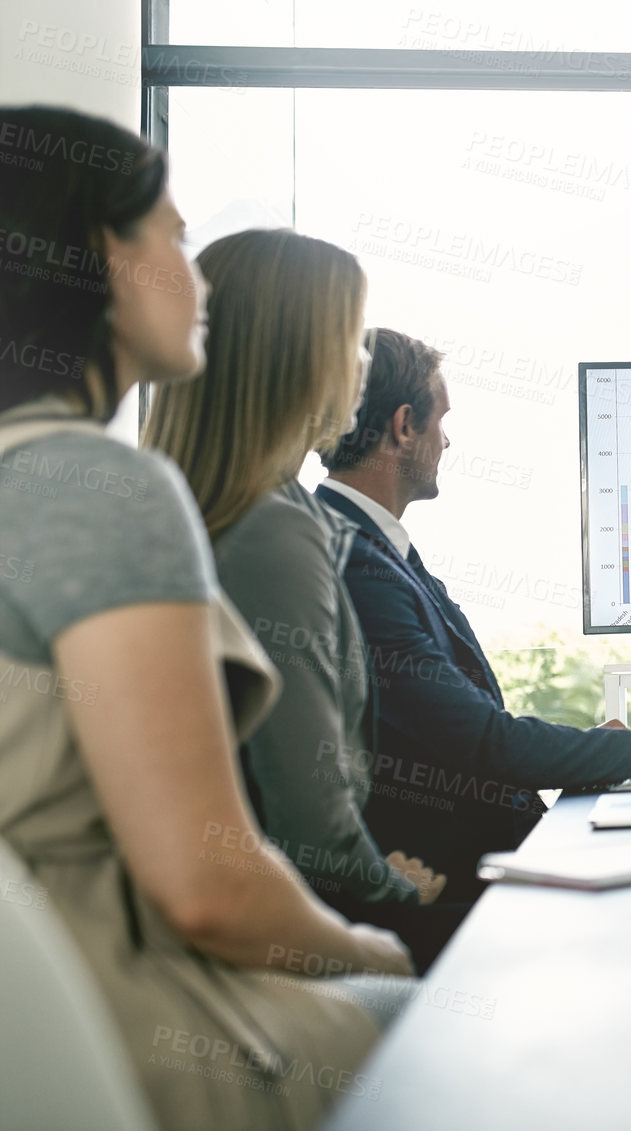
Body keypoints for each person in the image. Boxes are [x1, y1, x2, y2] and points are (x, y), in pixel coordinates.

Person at [0, 105, 409, 1131]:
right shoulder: (97, 487)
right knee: (442, 1022)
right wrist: (377, 949)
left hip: (42, 1020)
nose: (198, 281)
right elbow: (208, 888)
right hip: (121, 1019)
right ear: (106, 256)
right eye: (175, 238)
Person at [316, 329, 631, 899]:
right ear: (403, 427)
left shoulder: (375, 545)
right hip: (455, 876)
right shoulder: (354, 561)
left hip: (491, 847)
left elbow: (460, 725)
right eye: (441, 422)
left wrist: (599, 754)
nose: (446, 443)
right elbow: (480, 741)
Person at [142, 229, 447, 930]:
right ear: (301, 358)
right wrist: (397, 892)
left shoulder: (194, 508)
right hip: (298, 928)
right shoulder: (275, 531)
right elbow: (313, 826)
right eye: (353, 341)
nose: (363, 367)